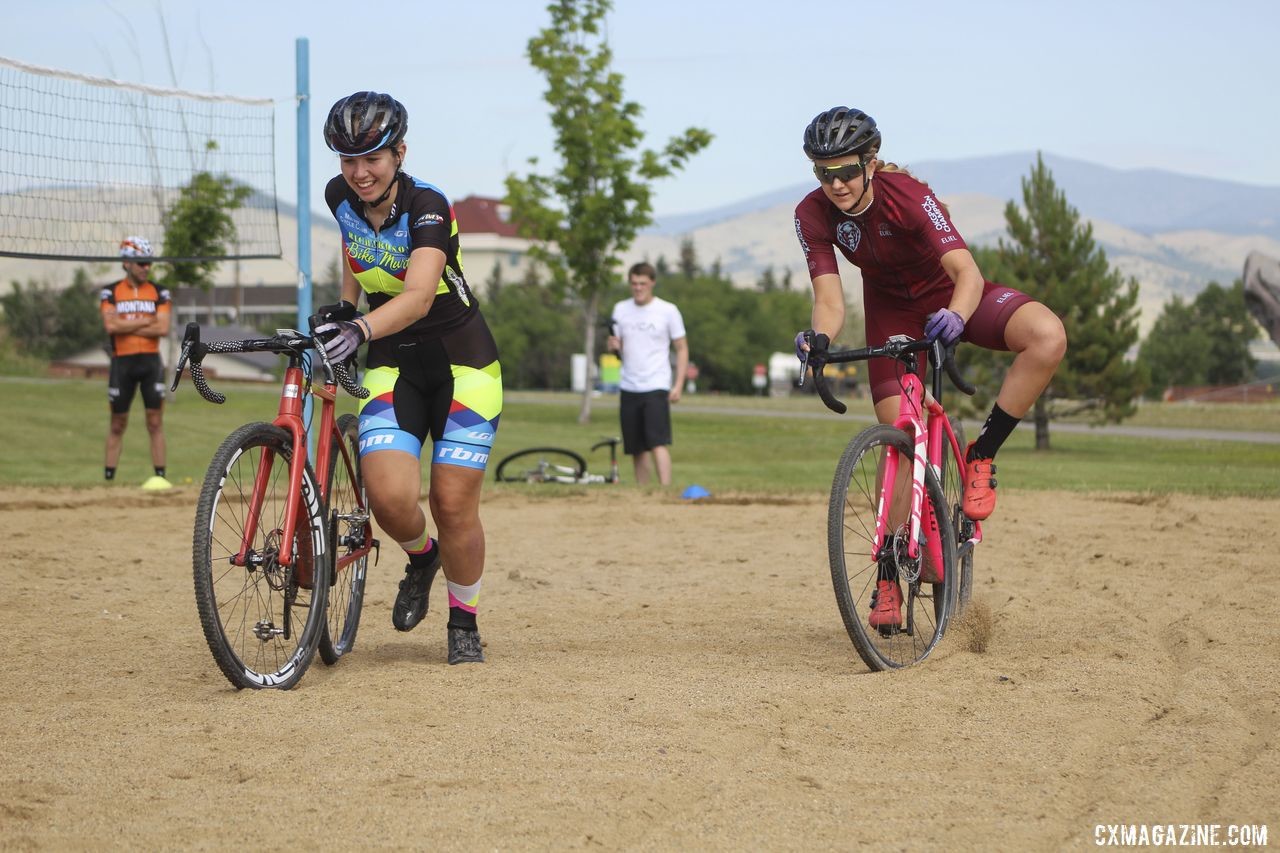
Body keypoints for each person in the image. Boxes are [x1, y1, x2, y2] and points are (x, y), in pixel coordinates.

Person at [793, 107, 1067, 626]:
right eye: (823, 173)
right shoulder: (811, 214)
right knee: (901, 430)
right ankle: (890, 578)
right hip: (892, 311)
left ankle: (982, 453)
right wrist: (819, 339)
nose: (837, 184)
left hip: (952, 296)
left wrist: (957, 318)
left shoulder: (908, 196)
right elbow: (829, 300)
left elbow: (967, 271)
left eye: (847, 170)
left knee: (1047, 336)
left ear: (870, 162)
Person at [316, 91, 502, 665]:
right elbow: (355, 251)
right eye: (348, 161)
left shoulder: (428, 206)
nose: (359, 172)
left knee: (451, 503)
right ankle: (423, 558)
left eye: (371, 158)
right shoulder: (339, 196)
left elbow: (419, 296)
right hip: (395, 362)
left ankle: (464, 617)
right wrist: (347, 310)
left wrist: (359, 331)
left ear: (398, 153)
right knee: (390, 498)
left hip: (463, 364)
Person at [606, 262, 689, 485]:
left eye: (643, 283)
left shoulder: (667, 311)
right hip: (629, 384)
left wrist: (678, 384)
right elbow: (619, 350)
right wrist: (613, 346)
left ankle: (665, 489)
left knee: (657, 442)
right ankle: (643, 493)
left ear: (652, 283)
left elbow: (681, 348)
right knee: (636, 446)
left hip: (656, 383)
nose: (638, 288)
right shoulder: (620, 309)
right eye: (634, 283)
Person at [101, 236, 172, 490]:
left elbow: (162, 327)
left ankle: (161, 477)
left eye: (149, 263)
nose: (146, 267)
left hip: (151, 362)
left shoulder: (160, 291)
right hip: (122, 364)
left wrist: (126, 325)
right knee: (118, 422)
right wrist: (146, 321)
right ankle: (109, 480)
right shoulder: (110, 291)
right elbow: (110, 325)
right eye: (141, 262)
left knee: (154, 421)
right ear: (127, 262)